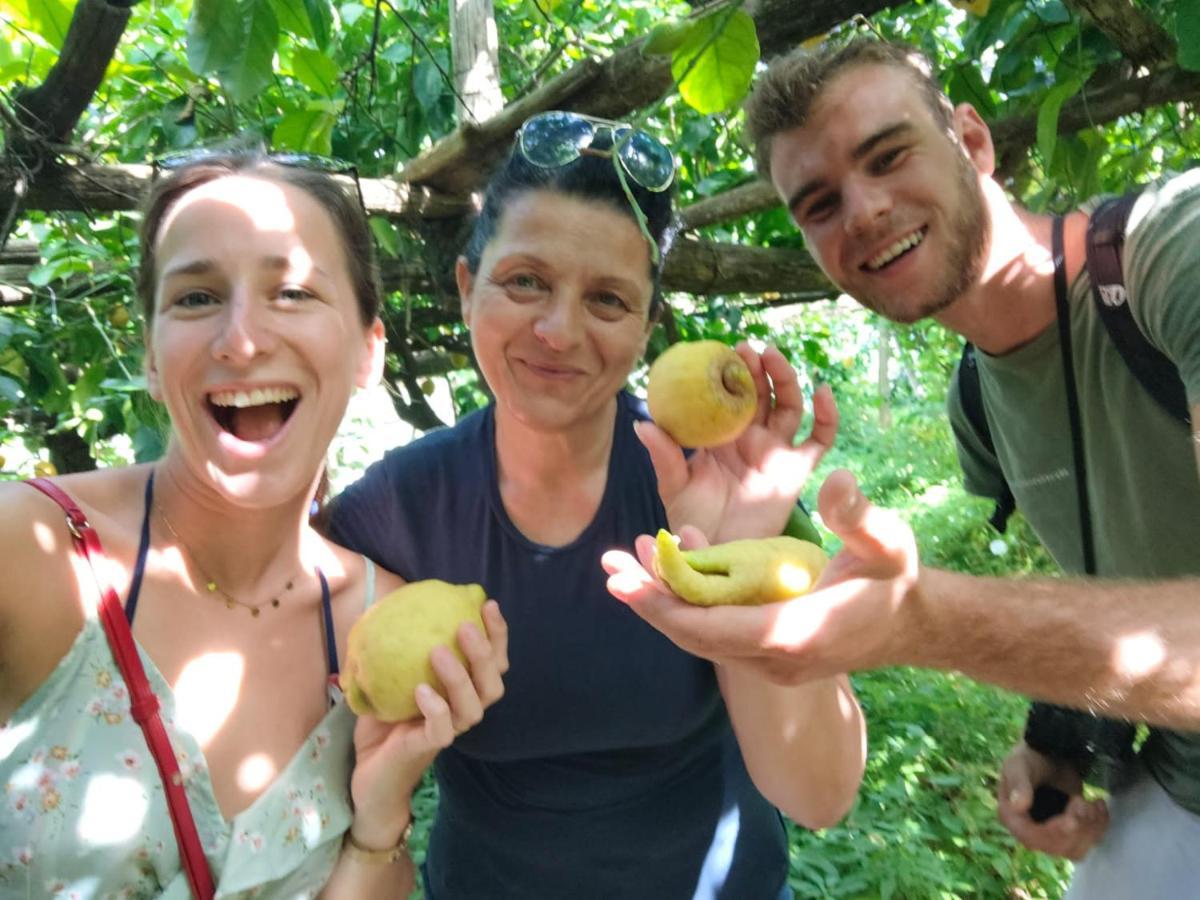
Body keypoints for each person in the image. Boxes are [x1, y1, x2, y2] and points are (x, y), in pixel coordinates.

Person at [605, 37, 1200, 897]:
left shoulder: (1173, 254)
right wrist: (1060, 737)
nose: (865, 211)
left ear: (975, 142)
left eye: (889, 155)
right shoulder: (981, 401)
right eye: (818, 204)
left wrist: (924, 622)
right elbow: (1126, 580)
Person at [325, 110, 866, 900]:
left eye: (608, 301)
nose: (557, 329)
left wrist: (735, 568)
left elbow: (818, 795)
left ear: (647, 329)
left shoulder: (715, 486)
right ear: (469, 288)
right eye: (526, 281)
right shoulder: (398, 508)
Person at [0, 152, 508, 897]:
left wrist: (381, 802)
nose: (240, 340)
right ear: (148, 353)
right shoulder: (31, 552)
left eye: (294, 291)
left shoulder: (377, 619)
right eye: (197, 298)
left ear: (369, 352)